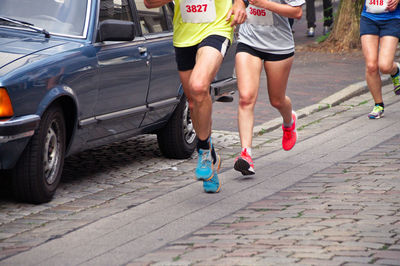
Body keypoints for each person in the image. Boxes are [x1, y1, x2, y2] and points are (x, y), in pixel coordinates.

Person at [144, 0, 247, 192]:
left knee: (199, 86)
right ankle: (209, 152)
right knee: (192, 103)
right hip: (184, 36)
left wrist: (241, 3)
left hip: (217, 27)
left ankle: (204, 153)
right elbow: (149, 3)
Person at [233, 0, 304, 176]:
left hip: (278, 45)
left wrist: (262, 3)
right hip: (249, 40)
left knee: (277, 100)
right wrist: (240, 3)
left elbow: (296, 12)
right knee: (246, 98)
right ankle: (246, 154)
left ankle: (289, 121)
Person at [360, 0, 400, 119]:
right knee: (371, 66)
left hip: (392, 19)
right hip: (369, 18)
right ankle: (378, 105)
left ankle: (396, 70)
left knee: (385, 66)